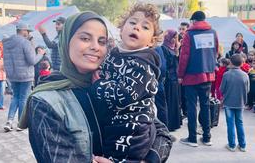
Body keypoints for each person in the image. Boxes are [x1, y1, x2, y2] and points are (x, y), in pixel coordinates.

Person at [19, 11, 172, 163]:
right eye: (85, 38)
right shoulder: (46, 101)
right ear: (66, 41)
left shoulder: (116, 82)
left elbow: (162, 134)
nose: (95, 47)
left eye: (102, 41)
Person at [91, 3, 166, 162]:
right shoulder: (114, 54)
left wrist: (98, 85)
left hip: (133, 128)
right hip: (115, 123)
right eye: (132, 23)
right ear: (121, 28)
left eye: (145, 27)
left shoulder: (143, 65)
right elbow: (107, 72)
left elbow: (125, 94)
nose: (137, 28)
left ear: (151, 41)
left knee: (122, 152)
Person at [178, 11, 219, 147]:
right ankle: (207, 137)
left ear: (194, 20)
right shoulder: (213, 32)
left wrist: (180, 75)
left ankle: (192, 138)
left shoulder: (189, 34)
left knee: (191, 107)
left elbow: (184, 57)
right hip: (208, 74)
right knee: (205, 106)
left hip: (191, 76)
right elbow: (216, 52)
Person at [3, 22, 45, 132]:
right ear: (23, 31)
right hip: (25, 75)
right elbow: (32, 60)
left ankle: (9, 121)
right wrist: (40, 54)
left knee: (15, 97)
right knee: (23, 98)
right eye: (27, 31)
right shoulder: (25, 42)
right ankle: (21, 123)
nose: (28, 33)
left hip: (13, 75)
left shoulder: (7, 43)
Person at [220, 54, 249, 152]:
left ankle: (232, 145)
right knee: (240, 123)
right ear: (242, 63)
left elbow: (221, 89)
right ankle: (242, 145)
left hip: (228, 102)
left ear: (231, 63)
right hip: (240, 103)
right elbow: (247, 90)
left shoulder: (226, 74)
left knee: (230, 124)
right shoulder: (245, 75)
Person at [161, 29, 182, 132]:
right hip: (169, 79)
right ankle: (169, 124)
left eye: (176, 38)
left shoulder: (174, 48)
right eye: (173, 37)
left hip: (175, 79)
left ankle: (175, 123)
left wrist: (177, 51)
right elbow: (167, 64)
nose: (174, 40)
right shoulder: (163, 48)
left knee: (175, 101)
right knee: (170, 102)